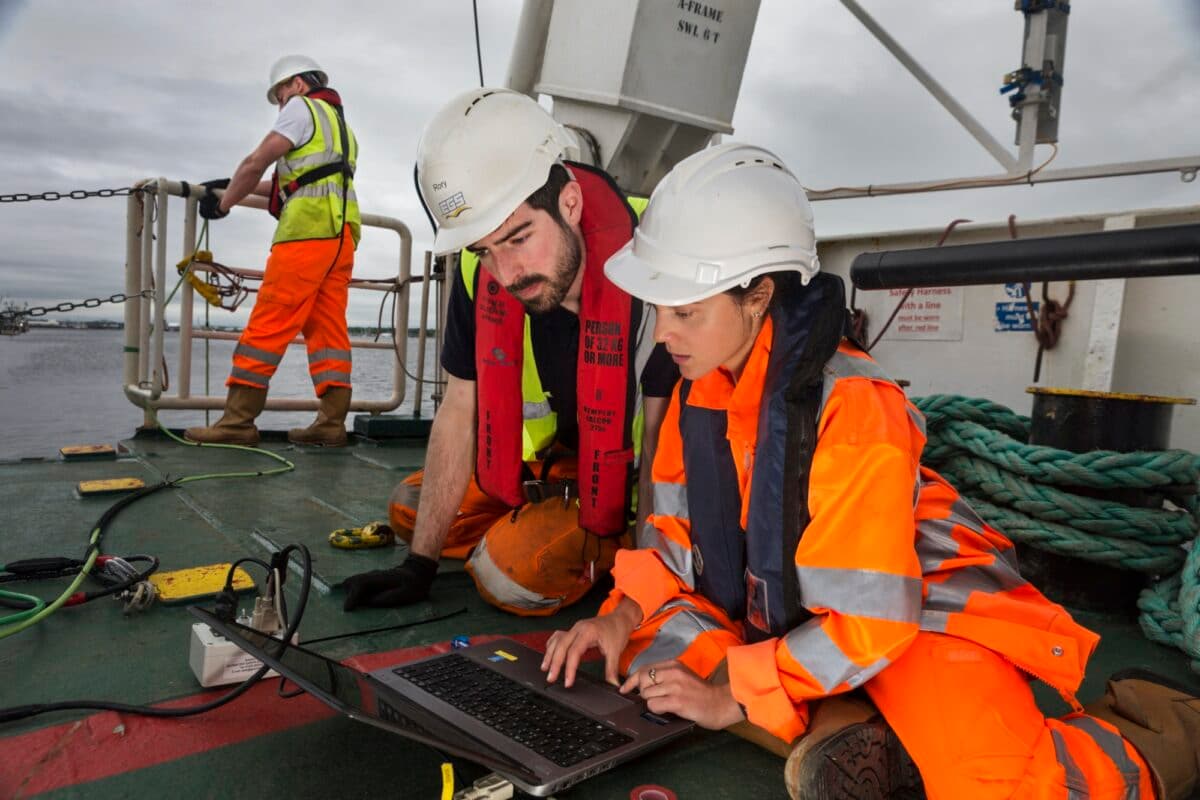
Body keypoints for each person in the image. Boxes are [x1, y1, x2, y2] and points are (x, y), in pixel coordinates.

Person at [542, 143, 1200, 800]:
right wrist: (619, 620)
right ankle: (848, 717)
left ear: (758, 297)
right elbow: (671, 546)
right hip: (797, 616)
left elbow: (873, 621)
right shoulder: (701, 393)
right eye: (660, 310)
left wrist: (729, 700)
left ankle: (1163, 731)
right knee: (639, 660)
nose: (662, 335)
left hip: (923, 612)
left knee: (1002, 788)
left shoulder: (855, 406)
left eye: (685, 312)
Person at [341, 88, 679, 616]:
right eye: (484, 249)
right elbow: (459, 409)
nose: (507, 273)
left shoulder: (655, 257)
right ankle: (539, 520)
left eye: (519, 238)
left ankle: (596, 544)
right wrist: (419, 563)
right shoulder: (485, 274)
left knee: (509, 576)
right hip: (550, 467)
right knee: (411, 510)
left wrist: (638, 599)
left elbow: (663, 440)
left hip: (633, 484)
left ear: (569, 202)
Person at [185, 54, 359, 448]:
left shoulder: (301, 108)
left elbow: (257, 162)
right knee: (327, 328)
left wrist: (223, 203)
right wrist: (231, 185)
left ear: (296, 84)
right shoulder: (341, 128)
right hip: (340, 237)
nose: (281, 105)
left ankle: (236, 422)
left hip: (306, 234)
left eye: (280, 95)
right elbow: (291, 184)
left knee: (269, 322)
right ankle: (331, 424)